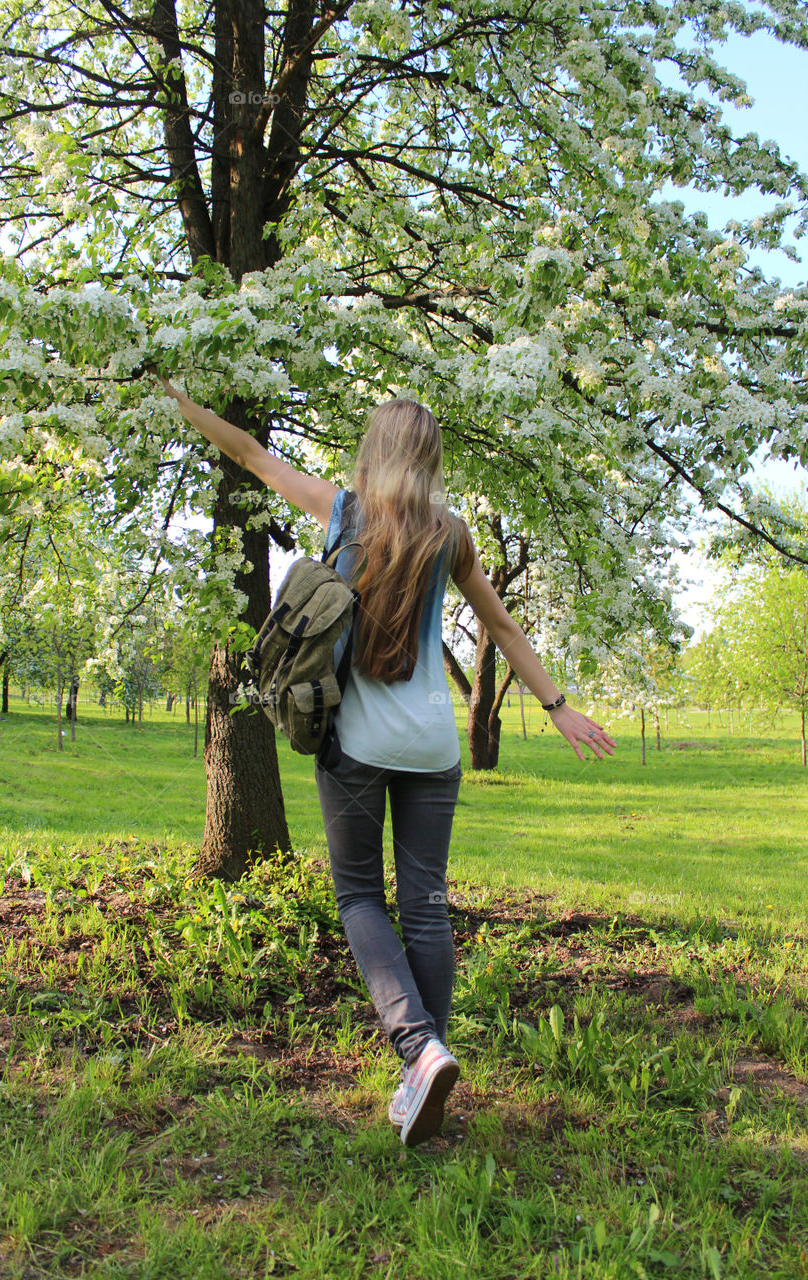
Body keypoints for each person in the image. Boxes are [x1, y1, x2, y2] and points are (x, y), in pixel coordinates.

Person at [148, 374, 617, 1146]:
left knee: (361, 898)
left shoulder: (344, 511)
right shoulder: (451, 533)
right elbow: (499, 627)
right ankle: (426, 1073)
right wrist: (559, 707)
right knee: (425, 903)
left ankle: (418, 1050)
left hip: (359, 745)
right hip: (433, 746)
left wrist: (183, 405)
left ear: (375, 451)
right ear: (430, 459)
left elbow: (252, 454)